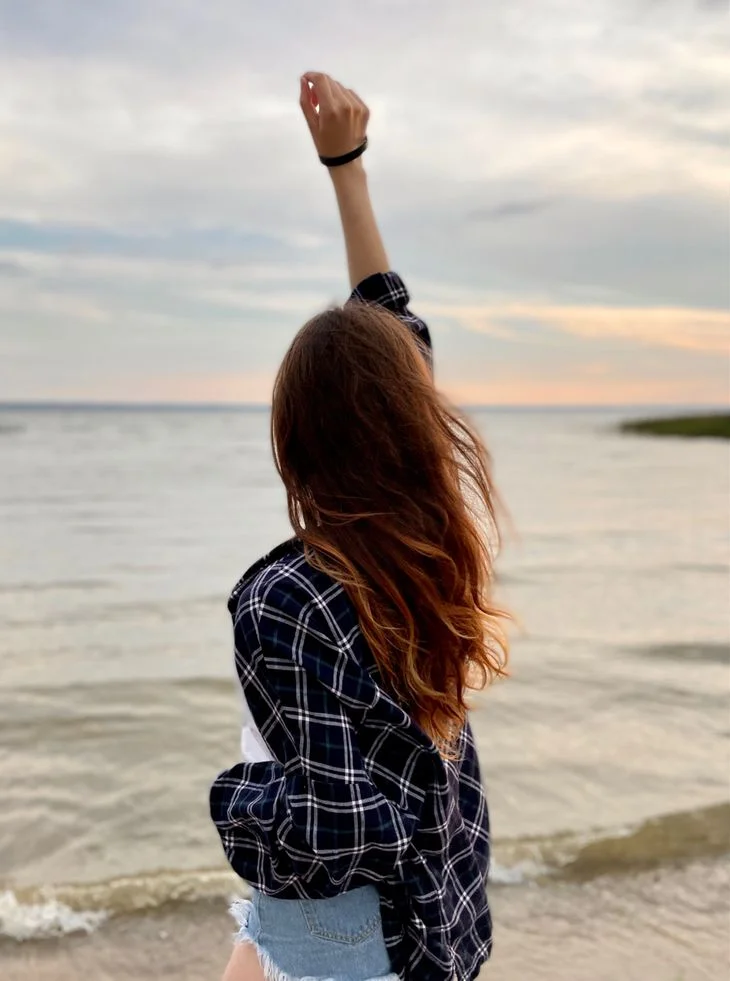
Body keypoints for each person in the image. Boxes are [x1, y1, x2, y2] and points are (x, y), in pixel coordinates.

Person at [210, 71, 508, 981]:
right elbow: (395, 337)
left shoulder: (287, 595)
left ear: (294, 440)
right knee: (252, 940)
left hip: (349, 927)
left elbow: (336, 826)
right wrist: (347, 166)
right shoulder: (429, 543)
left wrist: (237, 803)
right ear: (413, 427)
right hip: (435, 902)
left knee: (268, 930)